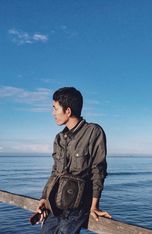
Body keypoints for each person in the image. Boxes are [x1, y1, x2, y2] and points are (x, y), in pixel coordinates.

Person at [36, 87, 111, 234]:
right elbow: (55, 172)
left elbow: (98, 170)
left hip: (78, 204)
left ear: (68, 111)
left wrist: (94, 206)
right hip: (55, 203)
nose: (53, 113)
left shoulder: (93, 132)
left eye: (55, 109)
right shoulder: (59, 138)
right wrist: (44, 198)